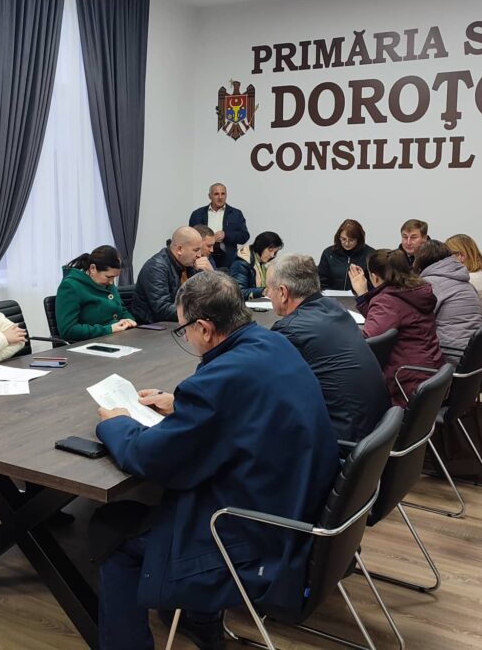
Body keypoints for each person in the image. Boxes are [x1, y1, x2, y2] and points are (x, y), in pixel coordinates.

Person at [94, 271, 337, 650]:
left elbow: (150, 457)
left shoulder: (221, 379)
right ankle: (200, 619)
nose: (186, 338)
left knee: (110, 532)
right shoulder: (274, 344)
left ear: (205, 328)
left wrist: (117, 423)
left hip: (253, 536)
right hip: (295, 509)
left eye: (183, 330)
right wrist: (182, 404)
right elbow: (243, 409)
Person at [267, 254, 390, 443]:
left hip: (345, 440)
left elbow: (270, 390)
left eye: (269, 288)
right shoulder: (334, 307)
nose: (267, 293)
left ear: (283, 292)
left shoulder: (290, 330)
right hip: (378, 430)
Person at [351, 249, 445, 406]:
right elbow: (387, 319)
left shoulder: (387, 300)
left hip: (408, 383)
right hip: (432, 372)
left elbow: (369, 340)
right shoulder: (416, 290)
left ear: (374, 277)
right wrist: (363, 296)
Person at [413, 240, 482, 357]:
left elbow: (417, 324)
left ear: (420, 261)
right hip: (475, 354)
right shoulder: (466, 282)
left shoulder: (430, 285)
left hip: (451, 353)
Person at [55, 246, 137, 341]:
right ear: (93, 268)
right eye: (108, 277)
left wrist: (129, 320)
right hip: (90, 343)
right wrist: (109, 329)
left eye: (114, 277)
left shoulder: (106, 282)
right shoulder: (70, 286)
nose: (111, 282)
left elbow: (121, 310)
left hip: (117, 338)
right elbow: (68, 331)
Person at [133, 226, 203, 323]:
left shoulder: (188, 264)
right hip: (152, 326)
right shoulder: (156, 267)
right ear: (179, 249)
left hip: (178, 321)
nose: (199, 255)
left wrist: (209, 272)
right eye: (196, 250)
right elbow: (162, 309)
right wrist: (200, 313)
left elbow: (201, 296)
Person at [188, 183, 249, 269]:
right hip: (203, 258)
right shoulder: (197, 214)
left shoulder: (236, 214)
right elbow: (191, 237)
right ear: (210, 196)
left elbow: (244, 236)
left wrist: (226, 234)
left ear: (226, 195)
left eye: (223, 194)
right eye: (216, 194)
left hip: (228, 261)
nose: (220, 197)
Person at [446, 233, 482, 322]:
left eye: (448, 256)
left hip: (480, 329)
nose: (445, 261)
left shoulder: (468, 282)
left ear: (461, 256)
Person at [318, 218, 376, 292]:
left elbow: (375, 283)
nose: (347, 243)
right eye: (343, 239)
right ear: (338, 237)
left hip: (361, 297)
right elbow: (321, 281)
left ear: (359, 239)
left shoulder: (371, 255)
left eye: (351, 240)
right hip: (331, 297)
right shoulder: (328, 253)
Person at [229, 231, 283, 299]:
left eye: (275, 252)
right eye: (270, 250)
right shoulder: (241, 264)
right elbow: (238, 292)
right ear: (261, 246)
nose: (272, 255)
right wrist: (263, 291)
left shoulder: (265, 263)